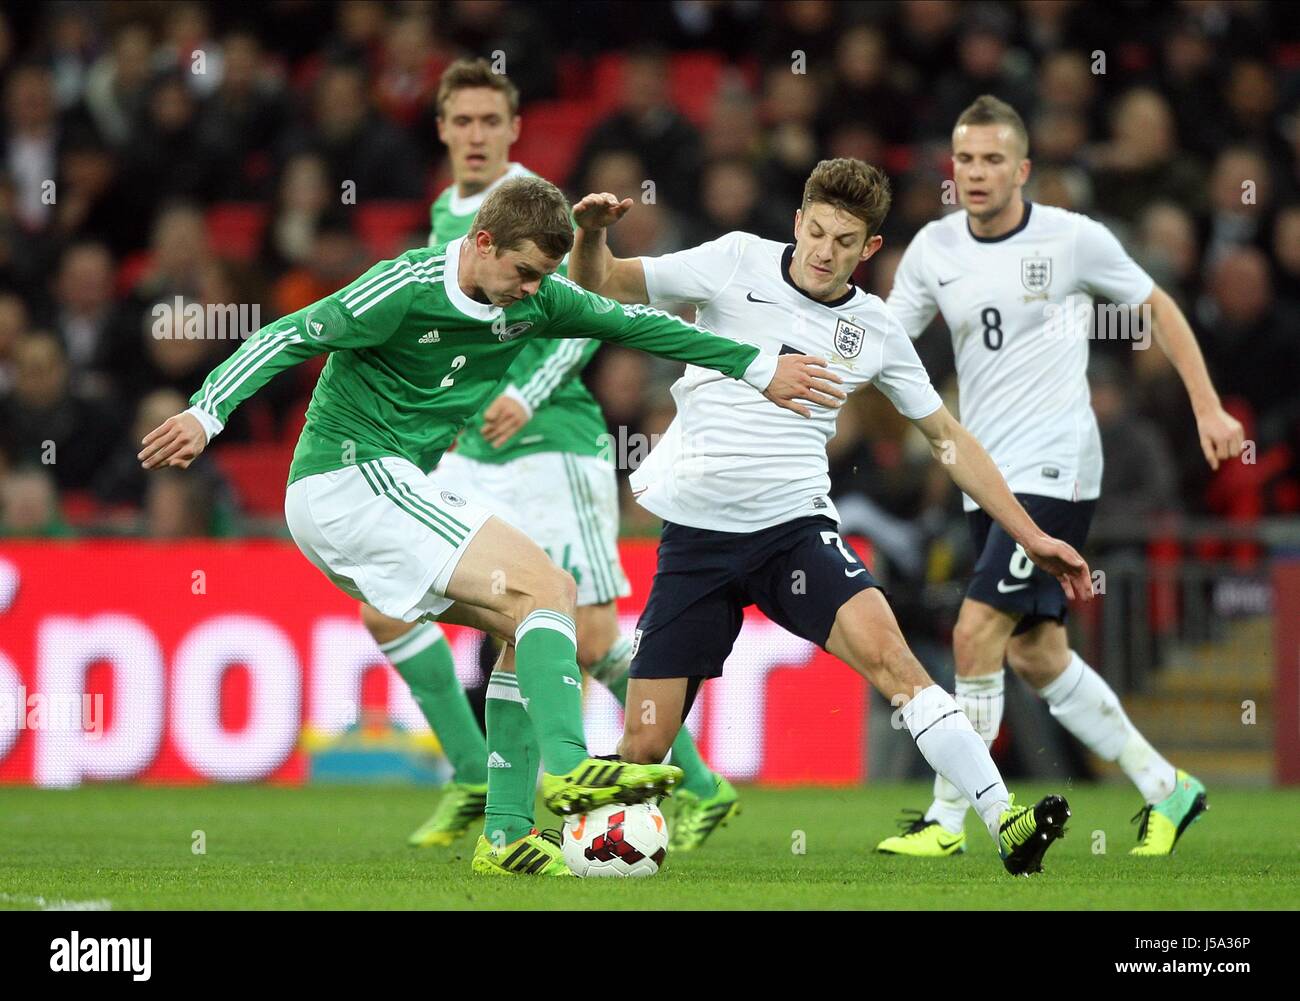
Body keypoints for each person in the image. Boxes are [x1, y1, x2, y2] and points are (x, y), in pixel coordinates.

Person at [138, 174, 838, 877]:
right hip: (345, 479)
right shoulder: (402, 287)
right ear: (480, 242)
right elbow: (289, 334)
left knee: (526, 618)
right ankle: (567, 769)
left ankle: (504, 835)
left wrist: (755, 365)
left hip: (387, 487)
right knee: (548, 588)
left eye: (543, 278)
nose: (533, 290)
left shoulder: (536, 301)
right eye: (524, 272)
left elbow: (637, 324)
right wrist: (207, 411)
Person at [569, 157, 1093, 876]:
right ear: (797, 221)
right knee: (643, 749)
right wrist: (591, 235)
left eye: (844, 241)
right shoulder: (732, 262)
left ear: (868, 249)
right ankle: (590, 844)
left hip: (794, 532)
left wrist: (1032, 534)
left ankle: (1006, 820)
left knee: (896, 661)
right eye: (816, 231)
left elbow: (948, 438)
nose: (824, 250)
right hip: (695, 539)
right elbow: (600, 281)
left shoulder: (874, 328)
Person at [361, 58, 738, 855]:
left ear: (514, 128)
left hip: (550, 443)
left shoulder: (536, 206)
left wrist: (524, 395)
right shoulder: (443, 213)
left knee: (587, 634)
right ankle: (474, 775)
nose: (474, 136)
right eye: (460, 122)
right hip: (471, 446)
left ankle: (701, 783)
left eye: (488, 122)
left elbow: (582, 317)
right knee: (388, 602)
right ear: (441, 129)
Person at [881, 95, 1243, 857]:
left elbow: (1160, 308)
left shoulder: (1073, 239)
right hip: (988, 476)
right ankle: (1166, 787)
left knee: (975, 631)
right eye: (964, 159)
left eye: (991, 160)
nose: (975, 173)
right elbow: (883, 340)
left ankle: (948, 821)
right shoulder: (934, 248)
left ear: (1023, 168)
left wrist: (1208, 408)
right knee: (1034, 651)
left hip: (1056, 468)